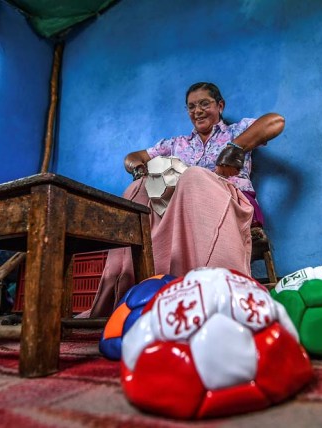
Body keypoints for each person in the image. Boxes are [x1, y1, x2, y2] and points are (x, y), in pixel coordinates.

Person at [88, 82, 285, 317]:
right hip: (179, 211)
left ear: (220, 106)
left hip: (231, 200)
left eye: (204, 104)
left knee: (192, 176)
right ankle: (127, 294)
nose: (198, 111)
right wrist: (139, 169)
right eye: (191, 107)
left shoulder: (237, 131)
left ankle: (211, 295)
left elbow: (275, 121)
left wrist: (238, 147)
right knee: (137, 189)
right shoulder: (176, 144)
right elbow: (133, 157)